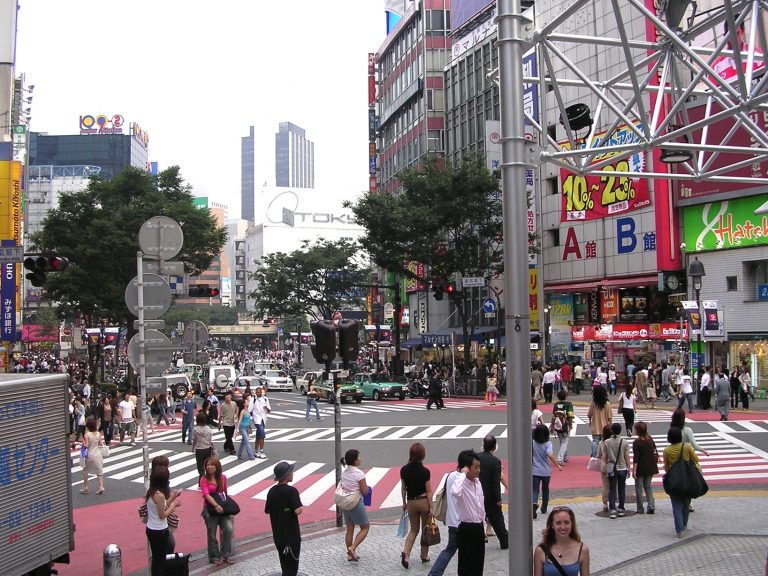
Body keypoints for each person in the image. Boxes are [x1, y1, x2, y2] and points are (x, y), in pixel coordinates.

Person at [427, 453, 466, 576]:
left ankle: (434, 573)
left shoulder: (450, 475)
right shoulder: (464, 479)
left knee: (450, 549)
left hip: (451, 520)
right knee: (465, 552)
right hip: (463, 522)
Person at [450, 450, 485, 576]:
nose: (478, 470)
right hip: (466, 528)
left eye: (479, 467)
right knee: (466, 566)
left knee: (478, 565)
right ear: (466, 468)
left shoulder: (478, 483)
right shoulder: (461, 484)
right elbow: (455, 492)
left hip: (479, 527)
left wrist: (483, 523)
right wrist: (463, 474)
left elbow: (480, 505)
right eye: (475, 467)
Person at [266, 461, 303, 576]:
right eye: (291, 472)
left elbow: (267, 510)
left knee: (284, 564)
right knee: (292, 565)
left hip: (278, 535)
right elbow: (298, 510)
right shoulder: (292, 491)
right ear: (286, 475)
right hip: (292, 535)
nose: (292, 474)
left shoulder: (271, 491)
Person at [399, 442, 433, 568]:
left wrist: (404, 502)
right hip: (423, 501)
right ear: (422, 455)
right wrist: (431, 507)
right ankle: (424, 555)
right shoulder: (425, 472)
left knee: (413, 529)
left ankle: (406, 553)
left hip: (411, 502)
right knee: (425, 530)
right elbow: (428, 491)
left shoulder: (404, 470)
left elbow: (403, 488)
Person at [663, 427, 700, 538]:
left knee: (676, 506)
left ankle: (679, 531)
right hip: (687, 479)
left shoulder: (667, 450)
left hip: (674, 480)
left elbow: (666, 467)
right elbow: (696, 459)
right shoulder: (686, 446)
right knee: (686, 504)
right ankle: (684, 524)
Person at [145, 466, 182, 575]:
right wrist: (174, 505)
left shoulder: (151, 492)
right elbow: (163, 514)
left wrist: (174, 496)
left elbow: (163, 505)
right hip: (160, 530)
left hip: (151, 528)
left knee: (156, 558)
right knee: (161, 559)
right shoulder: (160, 495)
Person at [533, 506, 591, 576]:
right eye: (558, 523)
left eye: (566, 522)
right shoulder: (541, 550)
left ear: (572, 524)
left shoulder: (582, 549)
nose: (563, 527)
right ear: (552, 525)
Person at [200, 456, 235, 565]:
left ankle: (225, 554)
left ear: (217, 466)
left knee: (228, 529)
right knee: (212, 534)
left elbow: (225, 493)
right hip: (210, 509)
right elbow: (206, 495)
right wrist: (215, 505)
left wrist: (227, 507)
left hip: (222, 508)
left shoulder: (223, 478)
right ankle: (214, 556)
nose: (209, 467)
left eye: (211, 464)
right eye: (207, 465)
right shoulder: (204, 479)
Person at [477, 435, 509, 550]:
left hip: (477, 493)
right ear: (494, 447)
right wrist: (498, 499)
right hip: (490, 496)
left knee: (477, 518)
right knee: (497, 520)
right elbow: (496, 482)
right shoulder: (495, 461)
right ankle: (504, 541)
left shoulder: (476, 457)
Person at [340, 449, 370, 561]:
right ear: (355, 461)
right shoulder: (359, 474)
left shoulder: (344, 473)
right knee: (365, 527)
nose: (360, 459)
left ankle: (349, 555)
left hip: (345, 503)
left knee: (349, 529)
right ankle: (352, 548)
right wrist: (368, 489)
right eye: (358, 457)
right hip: (356, 503)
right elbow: (365, 491)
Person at [532, 423, 562, 519]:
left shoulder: (532, 442)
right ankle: (544, 507)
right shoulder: (548, 443)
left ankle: (534, 503)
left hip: (534, 470)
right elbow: (550, 455)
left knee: (535, 489)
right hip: (545, 471)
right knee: (545, 489)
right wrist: (557, 465)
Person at [602, 423, 630, 519]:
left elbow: (605, 456)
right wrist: (629, 468)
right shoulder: (624, 442)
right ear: (620, 431)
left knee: (612, 489)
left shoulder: (607, 442)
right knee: (621, 489)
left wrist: (605, 466)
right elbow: (627, 456)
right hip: (622, 468)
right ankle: (621, 508)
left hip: (612, 468)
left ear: (612, 431)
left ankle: (613, 510)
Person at [632, 421, 658, 514]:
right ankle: (651, 505)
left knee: (639, 488)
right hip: (651, 466)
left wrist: (634, 470)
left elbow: (636, 458)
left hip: (641, 467)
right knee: (648, 486)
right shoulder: (650, 438)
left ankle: (640, 508)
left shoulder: (636, 442)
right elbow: (654, 450)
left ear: (638, 431)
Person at [80, 416, 106, 495]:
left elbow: (87, 445)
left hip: (90, 455)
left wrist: (83, 444)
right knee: (99, 471)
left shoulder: (87, 435)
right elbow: (101, 444)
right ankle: (101, 486)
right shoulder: (98, 433)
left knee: (85, 471)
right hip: (98, 455)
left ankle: (86, 487)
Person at [587, 386, 612, 458]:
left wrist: (590, 420)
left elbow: (589, 414)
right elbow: (610, 417)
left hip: (596, 426)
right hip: (605, 427)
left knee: (595, 441)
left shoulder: (593, 403)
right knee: (605, 442)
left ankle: (594, 456)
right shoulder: (607, 404)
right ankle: (604, 456)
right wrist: (610, 425)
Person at [551, 390, 574, 465]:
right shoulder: (569, 404)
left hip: (557, 425)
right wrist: (570, 424)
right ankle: (560, 459)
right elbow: (570, 414)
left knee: (562, 441)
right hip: (565, 425)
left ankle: (565, 456)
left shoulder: (556, 404)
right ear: (566, 396)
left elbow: (553, 415)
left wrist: (552, 425)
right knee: (565, 442)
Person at [596, 425, 613, 513]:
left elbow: (598, 455)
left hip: (604, 466)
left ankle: (605, 503)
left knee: (605, 485)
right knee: (614, 485)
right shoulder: (614, 442)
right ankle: (613, 502)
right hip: (614, 466)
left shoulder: (601, 443)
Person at [250, 386, 271, 458]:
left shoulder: (265, 399)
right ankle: (261, 451)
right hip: (257, 419)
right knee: (262, 433)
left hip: (263, 419)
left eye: (259, 392)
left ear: (261, 392)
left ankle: (256, 451)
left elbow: (269, 410)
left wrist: (266, 408)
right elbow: (250, 409)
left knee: (258, 435)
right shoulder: (253, 399)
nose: (258, 393)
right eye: (257, 392)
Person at [191, 412, 214, 478]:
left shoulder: (195, 430)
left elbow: (194, 440)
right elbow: (210, 439)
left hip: (199, 450)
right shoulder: (208, 429)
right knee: (207, 466)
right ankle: (207, 479)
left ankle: (202, 480)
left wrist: (193, 448)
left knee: (200, 467)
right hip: (207, 448)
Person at [237, 394, 256, 460]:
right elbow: (240, 420)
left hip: (247, 427)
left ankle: (239, 454)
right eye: (247, 402)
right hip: (242, 428)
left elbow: (248, 420)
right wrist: (237, 429)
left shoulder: (248, 411)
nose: (248, 403)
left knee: (243, 442)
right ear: (244, 404)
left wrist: (250, 427)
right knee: (247, 442)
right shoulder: (242, 411)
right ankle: (251, 456)